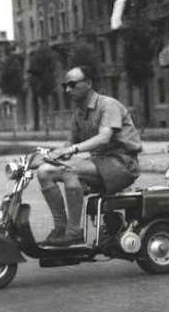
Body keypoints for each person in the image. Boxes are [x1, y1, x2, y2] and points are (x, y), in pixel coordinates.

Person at [37, 66, 142, 247]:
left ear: (89, 83)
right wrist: (45, 157)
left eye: (72, 85)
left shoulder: (108, 105)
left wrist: (72, 150)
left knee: (69, 170)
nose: (67, 90)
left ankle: (74, 231)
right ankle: (60, 228)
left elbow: (104, 137)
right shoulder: (78, 112)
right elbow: (68, 146)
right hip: (100, 163)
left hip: (122, 163)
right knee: (44, 172)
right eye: (65, 86)